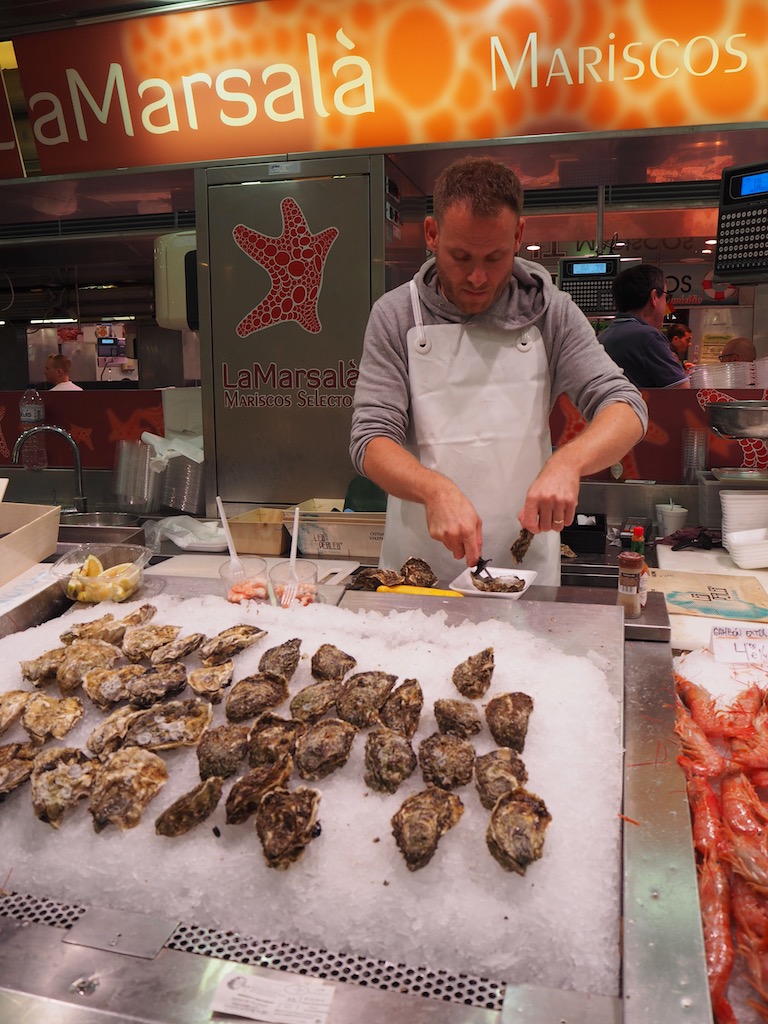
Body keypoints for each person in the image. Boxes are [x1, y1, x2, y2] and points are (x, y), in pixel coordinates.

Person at [349, 156, 647, 586]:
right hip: (418, 572)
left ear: (518, 235)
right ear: (432, 234)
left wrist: (568, 462)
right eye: (461, 256)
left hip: (522, 568)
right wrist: (435, 490)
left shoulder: (551, 312)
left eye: (495, 256)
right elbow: (370, 440)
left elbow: (627, 407)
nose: (477, 276)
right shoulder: (396, 315)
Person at [597, 265, 690, 390]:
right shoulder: (649, 337)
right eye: (665, 298)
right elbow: (682, 391)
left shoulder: (602, 337)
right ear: (654, 297)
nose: (666, 305)